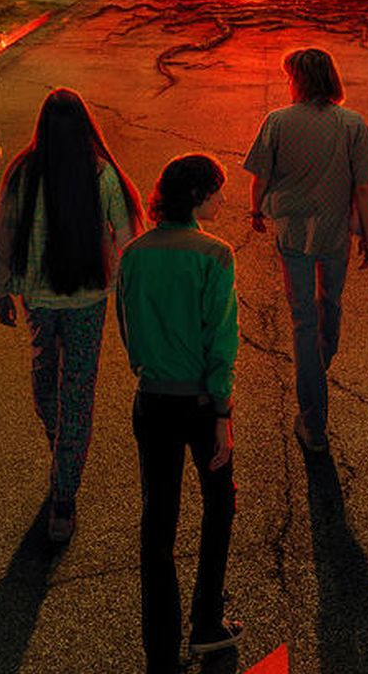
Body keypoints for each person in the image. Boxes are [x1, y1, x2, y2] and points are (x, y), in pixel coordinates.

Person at [0, 87, 144, 546]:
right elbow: (128, 238)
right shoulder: (95, 174)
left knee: (53, 388)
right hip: (70, 300)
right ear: (84, 128)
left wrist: (1, 289)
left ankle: (63, 496)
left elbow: (2, 235)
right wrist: (129, 286)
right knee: (66, 392)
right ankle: (67, 459)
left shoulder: (31, 173)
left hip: (58, 300)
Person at [116, 154, 242, 674]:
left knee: (158, 521)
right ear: (196, 196)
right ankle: (206, 621)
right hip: (200, 403)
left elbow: (126, 328)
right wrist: (222, 412)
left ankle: (160, 647)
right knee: (219, 504)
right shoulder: (215, 255)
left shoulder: (133, 255)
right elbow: (222, 340)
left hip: (152, 399)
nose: (222, 200)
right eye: (216, 191)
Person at [244, 47, 368, 454]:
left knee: (303, 321)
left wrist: (256, 210)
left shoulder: (277, 122)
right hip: (334, 236)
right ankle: (317, 372)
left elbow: (260, 177)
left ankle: (312, 417)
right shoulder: (352, 124)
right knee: (330, 305)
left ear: (298, 81)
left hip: (293, 235)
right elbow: (364, 186)